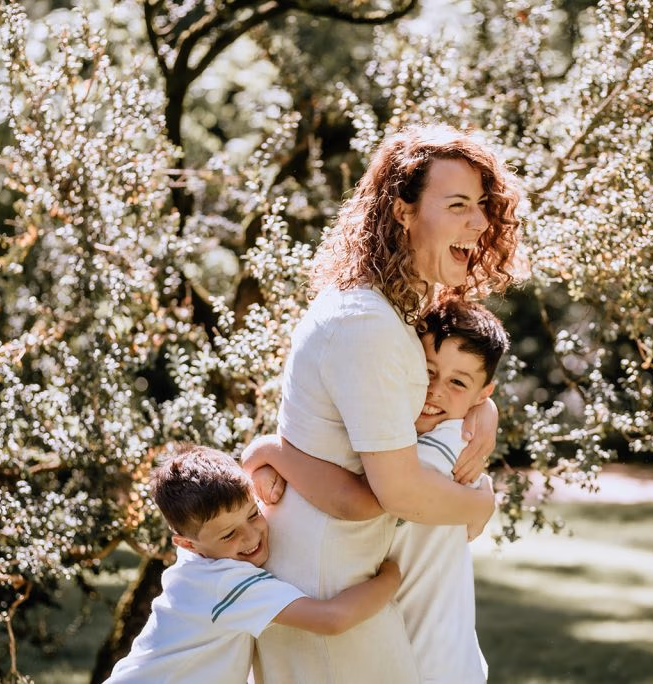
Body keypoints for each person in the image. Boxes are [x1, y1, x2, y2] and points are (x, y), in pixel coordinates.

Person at [249, 123, 523, 684]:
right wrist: (480, 505)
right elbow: (396, 489)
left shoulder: (396, 312)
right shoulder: (366, 323)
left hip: (358, 578)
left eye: (482, 206)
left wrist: (481, 411)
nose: (478, 223)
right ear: (402, 211)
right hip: (326, 582)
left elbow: (445, 384)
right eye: (458, 205)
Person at [243, 296, 510, 683]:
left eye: (457, 382)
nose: (434, 390)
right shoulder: (422, 432)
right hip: (433, 654)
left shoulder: (446, 442)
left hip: (430, 661)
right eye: (427, 371)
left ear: (483, 393)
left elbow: (368, 499)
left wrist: (270, 452)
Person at [104, 445, 402, 684]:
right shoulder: (225, 582)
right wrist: (390, 577)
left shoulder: (196, 564)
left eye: (253, 514)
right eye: (229, 534)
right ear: (187, 544)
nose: (250, 536)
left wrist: (262, 467)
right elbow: (331, 619)